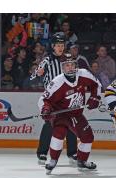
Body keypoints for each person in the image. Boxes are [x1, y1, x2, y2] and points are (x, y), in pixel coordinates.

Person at [38, 54, 101, 174]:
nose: (70, 67)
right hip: (60, 114)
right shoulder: (57, 82)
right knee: (59, 133)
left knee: (88, 137)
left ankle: (82, 161)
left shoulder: (84, 74)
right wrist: (46, 110)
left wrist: (95, 97)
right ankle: (53, 160)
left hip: (76, 114)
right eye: (67, 65)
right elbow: (44, 100)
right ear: (62, 67)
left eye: (72, 64)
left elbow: (96, 85)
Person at [32, 34, 78, 165]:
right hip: (52, 98)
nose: (60, 48)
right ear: (53, 46)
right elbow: (33, 75)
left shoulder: (68, 59)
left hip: (67, 97)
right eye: (58, 45)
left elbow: (75, 74)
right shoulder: (47, 60)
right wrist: (37, 72)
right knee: (49, 124)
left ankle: (72, 152)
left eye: (62, 45)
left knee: (71, 122)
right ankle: (42, 152)